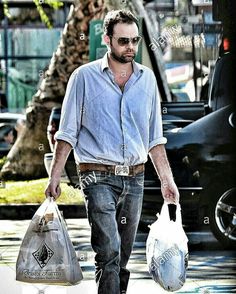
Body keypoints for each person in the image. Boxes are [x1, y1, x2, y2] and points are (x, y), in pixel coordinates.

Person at [45, 10, 179, 294]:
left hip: (135, 179)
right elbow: (67, 133)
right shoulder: (83, 78)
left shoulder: (148, 81)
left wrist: (168, 181)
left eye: (135, 40)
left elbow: (155, 138)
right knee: (108, 253)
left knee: (122, 258)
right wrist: (54, 178)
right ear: (107, 39)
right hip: (96, 177)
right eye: (123, 41)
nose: (130, 47)